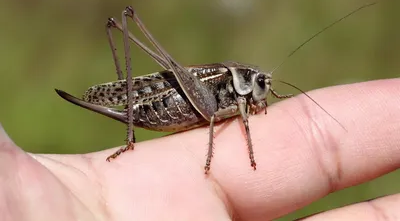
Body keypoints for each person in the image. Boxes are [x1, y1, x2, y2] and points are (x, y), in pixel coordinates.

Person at [1, 79, 399, 221]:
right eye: (258, 86)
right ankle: (128, 136)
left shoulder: (245, 95)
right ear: (244, 82)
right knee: (213, 112)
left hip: (189, 105)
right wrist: (212, 158)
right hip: (179, 104)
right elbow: (217, 115)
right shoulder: (227, 91)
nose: (262, 95)